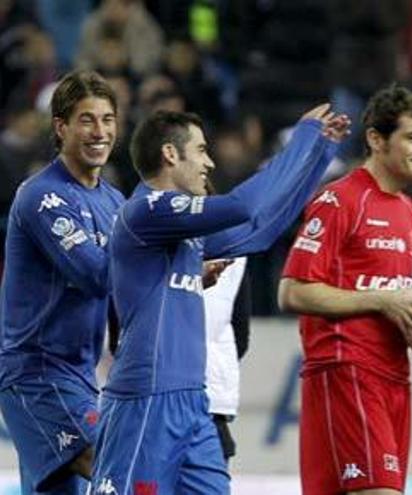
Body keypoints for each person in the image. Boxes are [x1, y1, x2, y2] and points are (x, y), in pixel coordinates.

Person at [90, 105, 349, 494]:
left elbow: (258, 229)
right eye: (200, 150)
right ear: (170, 154)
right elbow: (243, 205)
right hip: (146, 396)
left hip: (194, 401)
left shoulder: (184, 232)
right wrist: (302, 139)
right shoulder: (145, 211)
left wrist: (318, 156)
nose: (209, 162)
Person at [277, 85, 412, 495]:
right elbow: (293, 291)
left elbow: (390, 299)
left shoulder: (410, 214)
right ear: (376, 139)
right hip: (346, 369)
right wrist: (382, 300)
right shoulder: (340, 201)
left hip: (394, 377)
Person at [0, 70, 123, 495]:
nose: (100, 131)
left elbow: (118, 300)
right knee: (113, 463)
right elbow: (96, 275)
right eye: (87, 120)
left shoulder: (113, 201)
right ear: (61, 127)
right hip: (37, 372)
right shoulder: (42, 197)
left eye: (107, 120)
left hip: (80, 374)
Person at [204, 255, 249, 462]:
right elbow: (241, 335)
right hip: (213, 398)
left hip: (150, 395)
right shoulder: (236, 246)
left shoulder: (146, 229)